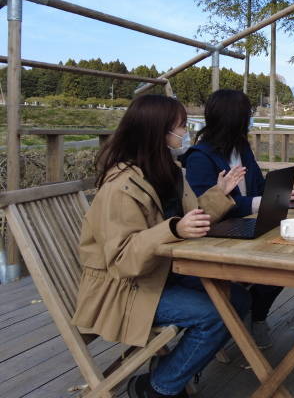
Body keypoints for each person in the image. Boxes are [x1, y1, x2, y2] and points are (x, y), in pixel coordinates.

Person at [72, 95, 249, 398]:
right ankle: (157, 388)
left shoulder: (165, 171)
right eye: (181, 126)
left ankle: (169, 370)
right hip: (125, 289)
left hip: (162, 274)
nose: (185, 132)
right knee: (216, 314)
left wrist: (220, 193)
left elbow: (187, 218)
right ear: (159, 131)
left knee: (239, 299)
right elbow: (124, 259)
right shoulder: (121, 187)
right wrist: (173, 229)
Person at [182, 89, 294, 349]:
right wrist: (263, 202)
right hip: (215, 235)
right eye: (247, 115)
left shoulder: (242, 149)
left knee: (288, 261)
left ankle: (256, 317)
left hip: (248, 225)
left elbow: (259, 186)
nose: (251, 119)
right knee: (276, 265)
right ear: (234, 119)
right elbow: (207, 208)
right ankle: (245, 318)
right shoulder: (199, 158)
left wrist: (281, 194)